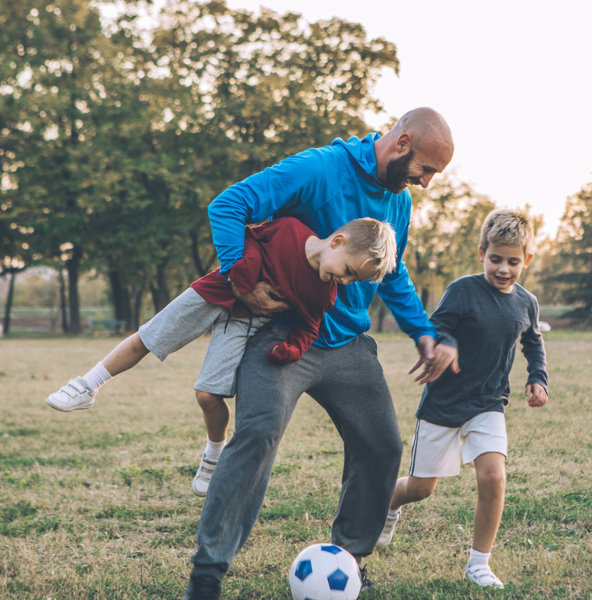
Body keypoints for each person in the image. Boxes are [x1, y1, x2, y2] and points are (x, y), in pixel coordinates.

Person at [182, 108, 455, 600]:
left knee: (381, 445)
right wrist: (243, 282)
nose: (428, 183)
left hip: (348, 343)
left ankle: (348, 560)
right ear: (403, 142)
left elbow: (392, 274)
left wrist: (422, 332)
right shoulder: (319, 169)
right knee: (258, 433)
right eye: (426, 169)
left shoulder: (399, 201)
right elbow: (230, 203)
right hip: (282, 333)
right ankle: (207, 574)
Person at [45, 217, 398, 498]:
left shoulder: (323, 292)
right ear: (337, 242)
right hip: (216, 289)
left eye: (355, 280)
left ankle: (214, 452)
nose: (347, 281)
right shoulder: (289, 228)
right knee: (148, 337)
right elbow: (246, 235)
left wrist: (290, 348)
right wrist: (246, 272)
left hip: (246, 320)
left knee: (207, 395)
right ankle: (87, 386)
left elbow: (309, 326)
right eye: (350, 271)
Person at [376, 208, 549, 590]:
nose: (504, 268)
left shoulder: (526, 302)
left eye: (513, 261)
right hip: (443, 404)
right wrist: (448, 346)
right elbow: (439, 327)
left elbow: (533, 343)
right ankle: (387, 507)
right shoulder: (463, 290)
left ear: (527, 260)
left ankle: (478, 564)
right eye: (496, 259)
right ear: (482, 252)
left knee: (493, 476)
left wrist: (538, 377)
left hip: (489, 403)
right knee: (421, 488)